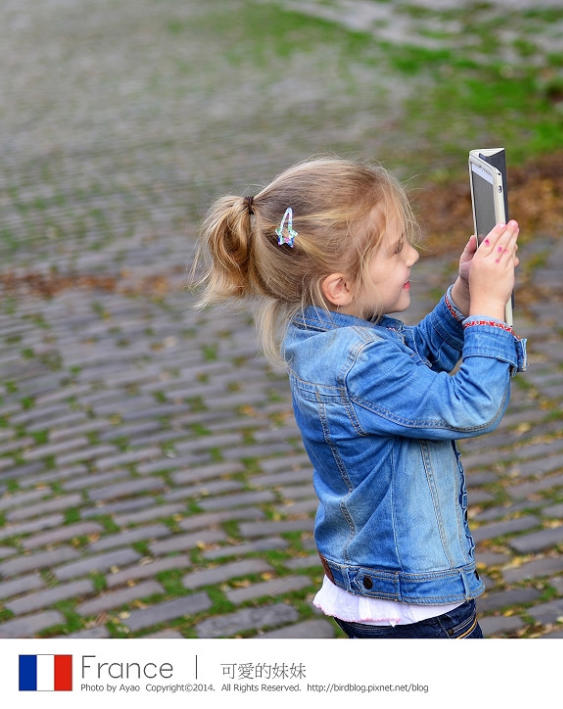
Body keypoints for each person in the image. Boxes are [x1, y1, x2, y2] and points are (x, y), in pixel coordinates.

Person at [194, 157, 525, 638]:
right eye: (395, 250)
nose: (413, 256)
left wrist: (461, 296)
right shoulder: (357, 362)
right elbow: (470, 405)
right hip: (415, 606)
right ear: (341, 286)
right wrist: (490, 308)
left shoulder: (329, 339)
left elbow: (413, 362)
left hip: (377, 586)